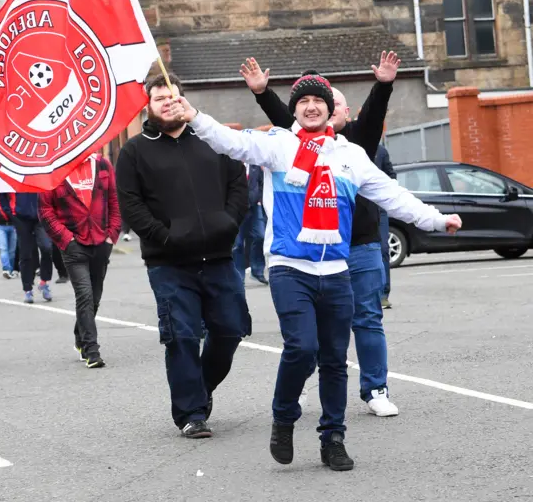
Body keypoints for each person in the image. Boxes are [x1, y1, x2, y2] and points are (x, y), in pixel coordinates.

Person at [169, 76, 461, 470]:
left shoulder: (351, 155)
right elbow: (232, 142)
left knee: (335, 360)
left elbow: (393, 195)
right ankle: (284, 418)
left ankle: (333, 437)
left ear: (329, 109)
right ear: (294, 109)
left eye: (317, 101)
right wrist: (196, 117)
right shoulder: (278, 146)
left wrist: (438, 221)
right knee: (302, 347)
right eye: (303, 100)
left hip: (337, 269)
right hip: (291, 266)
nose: (311, 106)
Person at [240, 53, 404, 417]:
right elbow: (285, 118)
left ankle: (375, 388)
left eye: (334, 104)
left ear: (342, 112)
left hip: (359, 245)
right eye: (313, 103)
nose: (324, 110)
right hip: (315, 249)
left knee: (368, 317)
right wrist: (262, 93)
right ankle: (297, 386)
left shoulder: (356, 144)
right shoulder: (300, 144)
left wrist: (384, 85)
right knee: (312, 333)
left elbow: (375, 116)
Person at [116, 73, 250, 439]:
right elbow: (131, 204)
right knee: (182, 337)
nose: (169, 103)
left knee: (230, 330)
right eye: (160, 99)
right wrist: (164, 236)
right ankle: (191, 413)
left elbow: (239, 184)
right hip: (169, 263)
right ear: (149, 104)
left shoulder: (212, 138)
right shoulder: (134, 152)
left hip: (219, 257)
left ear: (184, 99)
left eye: (174, 97)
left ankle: (199, 391)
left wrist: (230, 222)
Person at [39, 153, 121, 368]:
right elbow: (45, 211)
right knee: (84, 295)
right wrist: (66, 239)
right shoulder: (53, 169)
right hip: (74, 245)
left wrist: (111, 235)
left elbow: (114, 200)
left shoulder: (102, 164)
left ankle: (80, 336)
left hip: (101, 242)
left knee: (94, 298)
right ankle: (92, 351)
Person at [0, 193, 53, 303]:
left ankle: (44, 282)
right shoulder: (12, 177)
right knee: (25, 254)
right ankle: (28, 290)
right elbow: (0, 195)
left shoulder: (38, 176)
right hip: (21, 218)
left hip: (40, 215)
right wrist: (10, 215)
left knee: (47, 247)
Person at [232, 164, 267, 284]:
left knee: (260, 236)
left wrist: (260, 200)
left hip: (254, 207)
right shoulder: (231, 164)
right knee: (237, 244)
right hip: (236, 208)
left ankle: (257, 270)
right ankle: (238, 276)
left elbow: (262, 183)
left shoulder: (255, 166)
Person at [375, 143, 396, 308]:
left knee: (383, 250)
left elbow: (391, 176)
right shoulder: (351, 146)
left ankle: (383, 294)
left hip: (379, 208)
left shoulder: (381, 150)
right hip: (356, 208)